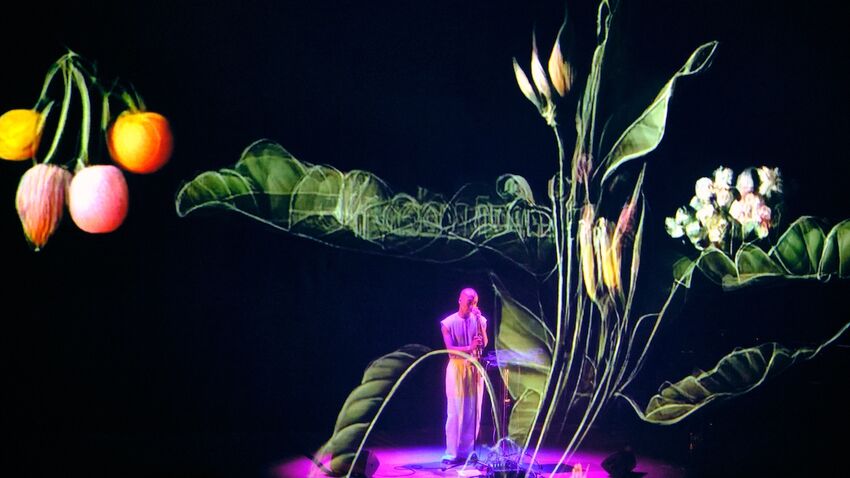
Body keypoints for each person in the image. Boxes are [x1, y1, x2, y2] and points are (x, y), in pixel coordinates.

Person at [440, 287, 489, 465]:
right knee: (455, 411)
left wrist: (480, 325)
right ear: (460, 300)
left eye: (475, 301)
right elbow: (450, 350)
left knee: (472, 411)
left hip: (474, 368)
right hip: (457, 368)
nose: (472, 305)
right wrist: (469, 347)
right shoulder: (448, 323)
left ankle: (468, 451)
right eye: (469, 301)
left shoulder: (480, 320)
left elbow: (485, 342)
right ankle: (451, 453)